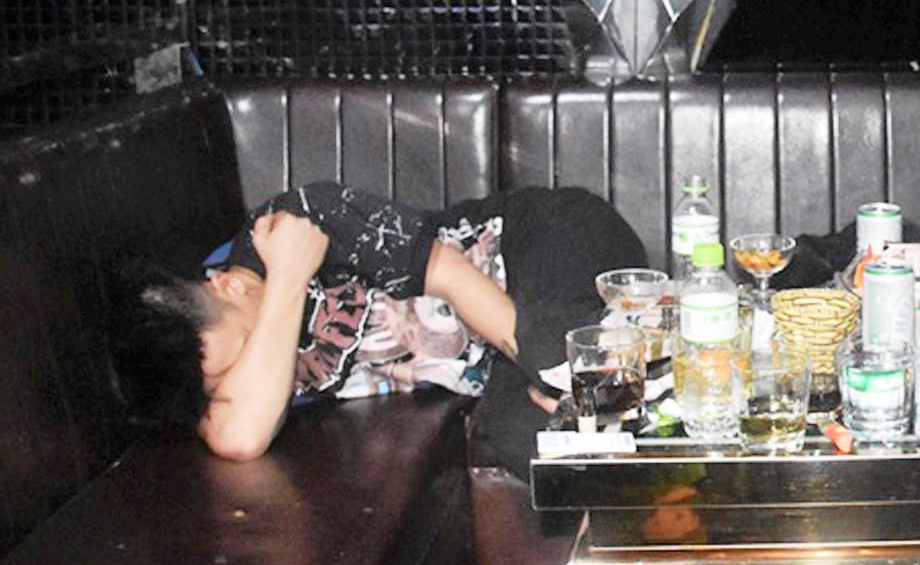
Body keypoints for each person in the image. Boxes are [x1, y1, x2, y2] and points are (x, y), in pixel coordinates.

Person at [110, 182, 645, 474]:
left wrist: (565, 376)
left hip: (541, 241)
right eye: (235, 380)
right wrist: (289, 277)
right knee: (529, 437)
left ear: (226, 284)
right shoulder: (278, 272)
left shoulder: (298, 219)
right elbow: (241, 435)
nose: (260, 367)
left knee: (575, 381)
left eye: (250, 348)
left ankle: (660, 371)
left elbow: (453, 276)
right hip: (508, 354)